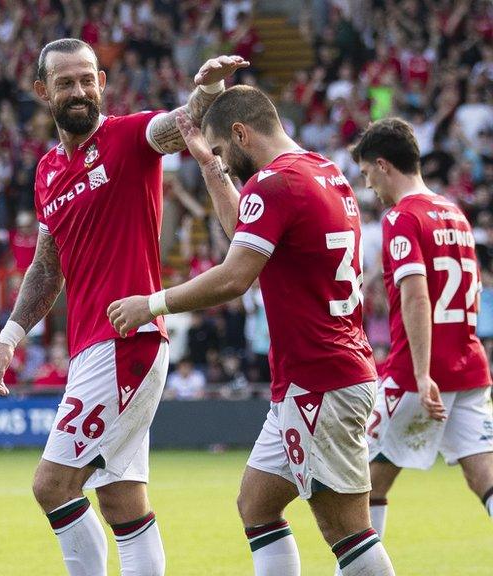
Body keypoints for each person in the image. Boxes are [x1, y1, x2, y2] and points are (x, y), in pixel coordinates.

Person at [0, 37, 247, 576]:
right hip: (90, 349)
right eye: (65, 83)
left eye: (87, 79)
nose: (79, 91)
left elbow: (179, 124)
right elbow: (46, 267)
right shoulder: (47, 172)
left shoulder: (129, 136)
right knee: (124, 504)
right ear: (43, 92)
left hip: (126, 344)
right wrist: (10, 335)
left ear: (102, 83)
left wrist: (208, 90)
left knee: (52, 486)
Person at [107, 86, 395, 575]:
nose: (222, 159)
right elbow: (247, 228)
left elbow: (237, 275)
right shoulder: (323, 171)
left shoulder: (273, 183)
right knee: (257, 505)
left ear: (241, 132)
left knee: (345, 529)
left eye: (222, 149)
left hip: (321, 379)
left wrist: (151, 304)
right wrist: (208, 165)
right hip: (323, 374)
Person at [350, 119, 493, 550]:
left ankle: (360, 569)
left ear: (382, 164)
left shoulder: (402, 218)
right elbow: (476, 288)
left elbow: (416, 297)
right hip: (469, 366)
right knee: (484, 473)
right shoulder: (455, 214)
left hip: (419, 373)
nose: (369, 184)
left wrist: (422, 370)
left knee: (362, 479)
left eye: (367, 173)